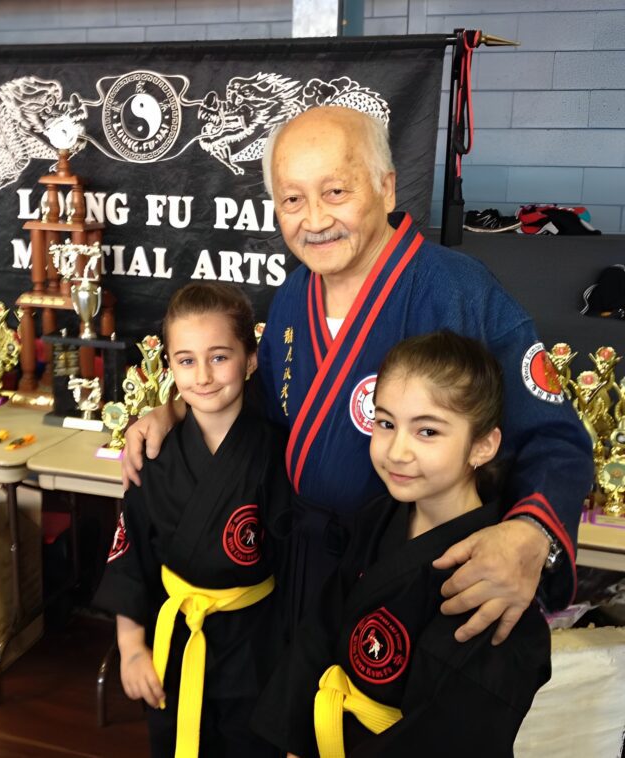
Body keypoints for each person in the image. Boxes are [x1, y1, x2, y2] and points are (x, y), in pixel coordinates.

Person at [123, 105, 592, 646]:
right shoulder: (293, 295)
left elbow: (557, 439)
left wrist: (531, 535)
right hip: (300, 573)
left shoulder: (460, 292)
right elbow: (266, 408)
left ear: (387, 189)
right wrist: (176, 408)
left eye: (336, 192)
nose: (315, 220)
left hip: (418, 579)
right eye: (292, 199)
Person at [252, 331, 551, 758]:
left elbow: (448, 735)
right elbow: (320, 630)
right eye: (386, 423)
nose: (397, 451)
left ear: (482, 446)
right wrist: (296, 738)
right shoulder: (379, 516)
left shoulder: (491, 577)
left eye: (427, 431)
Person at [93, 282, 289, 758]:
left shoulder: (276, 452)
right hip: (174, 647)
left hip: (255, 650)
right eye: (186, 360)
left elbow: (296, 568)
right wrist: (132, 646)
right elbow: (131, 554)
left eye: (219, 357)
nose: (202, 375)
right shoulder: (153, 453)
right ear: (170, 366)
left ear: (251, 359)